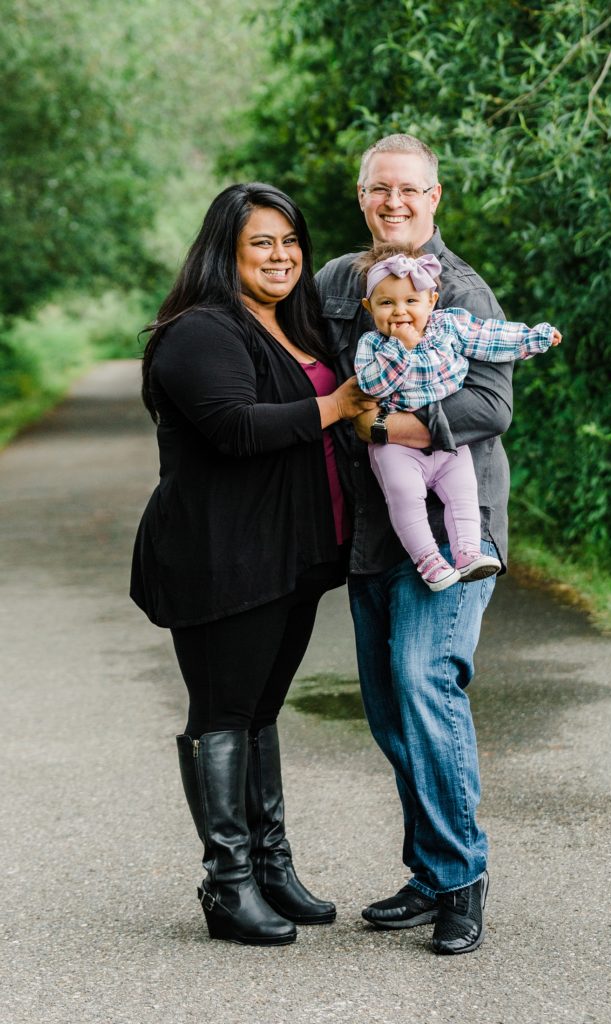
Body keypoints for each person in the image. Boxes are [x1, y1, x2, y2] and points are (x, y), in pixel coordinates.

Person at [130, 182, 375, 946]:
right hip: (221, 555)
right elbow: (235, 428)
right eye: (260, 242)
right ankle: (226, 884)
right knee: (223, 714)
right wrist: (340, 404)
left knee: (261, 710)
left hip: (291, 554)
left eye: (289, 240)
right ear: (224, 251)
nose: (282, 255)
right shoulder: (198, 330)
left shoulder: (291, 324)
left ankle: (270, 867)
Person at [315, 133, 521, 954]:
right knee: (390, 710)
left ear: (434, 197)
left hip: (453, 528)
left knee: (422, 679)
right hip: (373, 528)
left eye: (408, 189)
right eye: (377, 190)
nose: (393, 202)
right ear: (361, 198)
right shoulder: (338, 280)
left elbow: (488, 408)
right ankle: (430, 873)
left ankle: (463, 877)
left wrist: (376, 421)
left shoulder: (462, 290)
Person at [354, 243, 561, 591]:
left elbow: (491, 338)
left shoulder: (449, 326)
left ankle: (468, 553)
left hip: (447, 437)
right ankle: (428, 559)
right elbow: (372, 385)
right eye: (387, 303)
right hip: (396, 444)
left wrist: (533, 337)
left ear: (432, 301)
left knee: (464, 490)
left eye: (411, 301)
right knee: (405, 495)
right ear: (369, 307)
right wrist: (401, 349)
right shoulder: (373, 346)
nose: (400, 312)